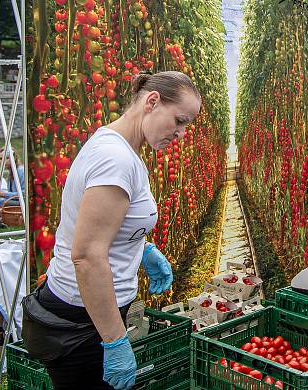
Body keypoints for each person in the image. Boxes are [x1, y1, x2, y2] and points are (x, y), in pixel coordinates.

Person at [22, 71, 201, 390]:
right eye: (179, 121)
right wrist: (115, 340)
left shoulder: (121, 149)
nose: (181, 134)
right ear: (152, 101)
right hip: (82, 321)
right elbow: (87, 256)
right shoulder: (115, 159)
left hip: (89, 314)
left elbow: (100, 226)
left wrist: (141, 249)